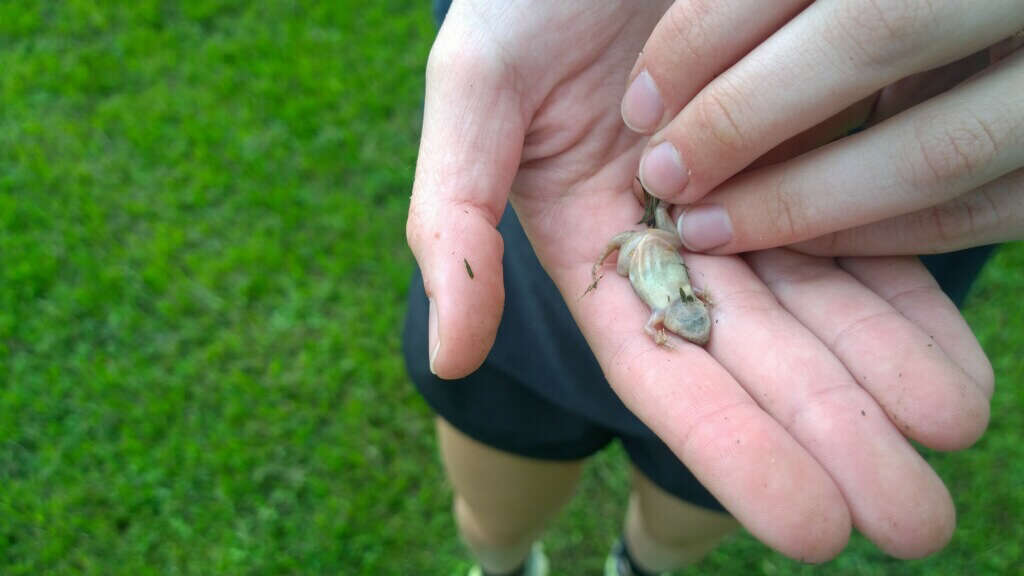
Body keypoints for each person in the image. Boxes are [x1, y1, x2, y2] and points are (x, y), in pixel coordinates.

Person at [404, 1, 1023, 574]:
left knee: (713, 484)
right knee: (500, 489)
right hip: (570, 206)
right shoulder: (670, 305)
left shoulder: (680, 310)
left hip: (886, 181)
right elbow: (660, 305)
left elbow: (672, 308)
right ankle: (503, 564)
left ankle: (638, 565)